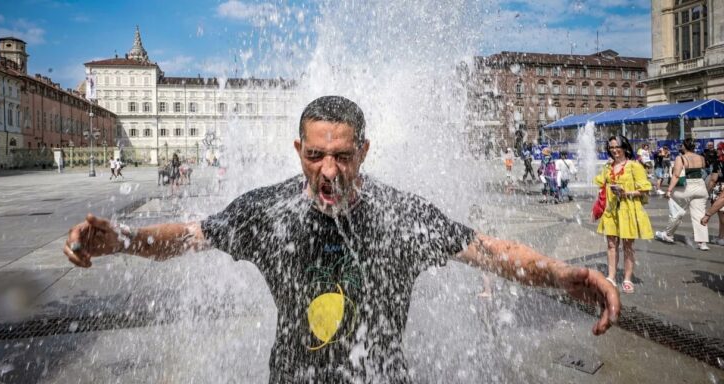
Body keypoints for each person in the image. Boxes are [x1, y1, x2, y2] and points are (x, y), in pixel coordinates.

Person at [64, 96, 619, 383]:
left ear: (365, 152)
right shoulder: (269, 212)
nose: (328, 171)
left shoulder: (400, 215)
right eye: (315, 155)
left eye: (343, 156)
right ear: (298, 151)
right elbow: (187, 237)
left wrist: (559, 275)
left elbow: (489, 250)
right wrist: (125, 238)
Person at [594, 136, 653, 294]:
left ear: (624, 147)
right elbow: (601, 184)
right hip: (612, 210)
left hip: (628, 209)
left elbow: (645, 189)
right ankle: (611, 277)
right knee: (611, 245)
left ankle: (627, 278)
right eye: (611, 147)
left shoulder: (634, 166)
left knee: (628, 246)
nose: (614, 150)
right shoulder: (608, 167)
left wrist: (626, 192)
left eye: (616, 146)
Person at [655, 138, 710, 250]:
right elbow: (704, 171)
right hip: (701, 186)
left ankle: (668, 234)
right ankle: (702, 242)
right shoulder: (701, 158)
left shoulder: (681, 158)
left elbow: (676, 176)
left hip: (687, 187)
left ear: (685, 146)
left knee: (676, 210)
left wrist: (669, 190)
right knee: (699, 214)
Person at [703, 142, 724, 245]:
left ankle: (722, 238)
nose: (717, 151)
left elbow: (713, 179)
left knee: (721, 216)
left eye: (719, 149)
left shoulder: (718, 162)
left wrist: (707, 191)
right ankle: (720, 237)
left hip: (720, 188)